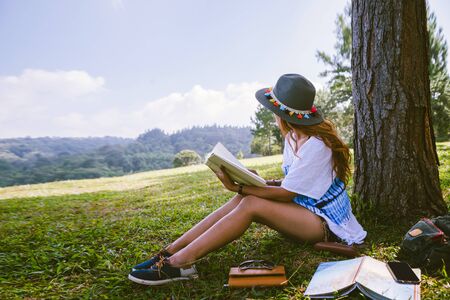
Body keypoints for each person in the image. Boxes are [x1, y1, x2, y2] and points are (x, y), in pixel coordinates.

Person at [128, 73, 367, 286]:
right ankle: (170, 252)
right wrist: (255, 182)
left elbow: (286, 193)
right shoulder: (294, 137)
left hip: (323, 222)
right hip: (305, 209)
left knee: (249, 201)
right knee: (241, 199)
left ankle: (181, 263)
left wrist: (239, 186)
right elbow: (291, 182)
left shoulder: (316, 146)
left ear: (281, 114)